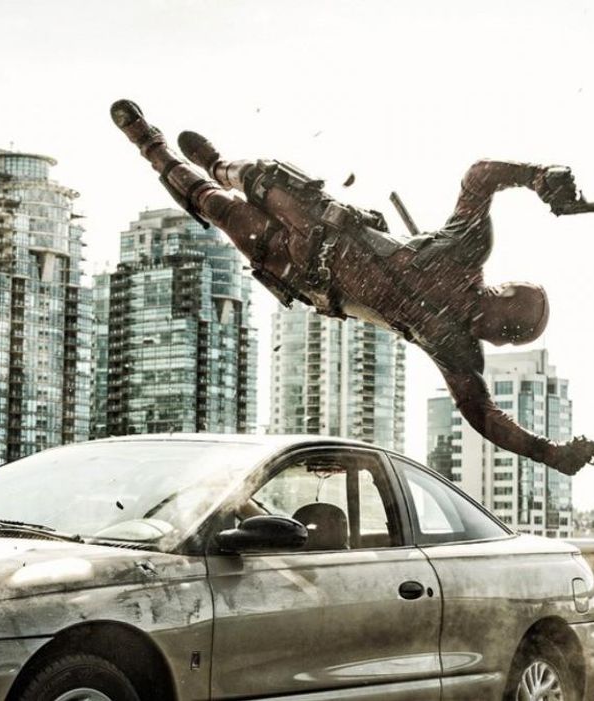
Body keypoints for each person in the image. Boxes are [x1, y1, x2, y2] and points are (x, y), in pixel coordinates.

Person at [112, 99, 594, 476]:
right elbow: (479, 176)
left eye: (507, 335)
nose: (497, 336)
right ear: (503, 298)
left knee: (216, 207)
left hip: (303, 270)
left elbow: (484, 418)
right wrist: (538, 176)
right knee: (251, 175)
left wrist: (548, 453)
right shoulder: (466, 251)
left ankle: (150, 145)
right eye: (507, 327)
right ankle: (218, 162)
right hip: (320, 222)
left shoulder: (456, 349)